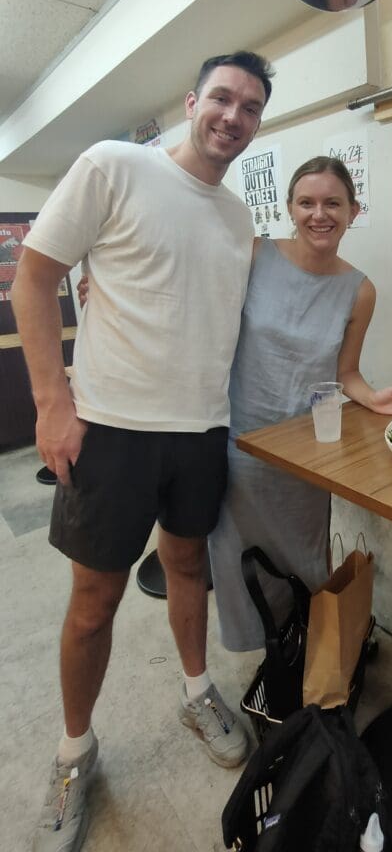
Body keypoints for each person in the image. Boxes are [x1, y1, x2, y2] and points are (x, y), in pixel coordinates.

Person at [11, 49, 273, 852]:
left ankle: (197, 692)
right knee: (95, 602)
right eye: (222, 97)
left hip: (199, 430)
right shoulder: (115, 166)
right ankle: (74, 751)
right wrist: (53, 403)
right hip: (112, 428)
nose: (233, 115)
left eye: (251, 107)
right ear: (192, 100)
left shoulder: (238, 220)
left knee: (187, 565)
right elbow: (33, 275)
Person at [208, 155, 392, 651]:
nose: (319, 214)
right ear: (290, 207)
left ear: (353, 210)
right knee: (238, 559)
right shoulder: (253, 256)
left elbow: (345, 372)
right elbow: (188, 287)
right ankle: (270, 652)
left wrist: (374, 398)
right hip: (240, 444)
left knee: (305, 559)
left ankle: (313, 653)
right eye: (307, 202)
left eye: (333, 203)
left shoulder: (360, 290)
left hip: (309, 453)